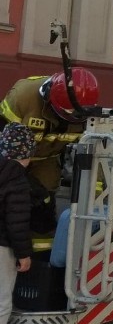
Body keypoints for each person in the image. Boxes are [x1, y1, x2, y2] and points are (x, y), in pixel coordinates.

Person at [0, 68, 99, 235]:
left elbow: (96, 158)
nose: (71, 118)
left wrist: (96, 201)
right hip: (12, 158)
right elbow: (4, 140)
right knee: (13, 197)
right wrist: (21, 178)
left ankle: (40, 250)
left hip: (47, 159)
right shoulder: (23, 97)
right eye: (67, 113)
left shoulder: (89, 116)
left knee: (44, 200)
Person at [0, 123, 38, 324]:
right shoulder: (17, 179)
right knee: (1, 300)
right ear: (28, 153)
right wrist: (24, 254)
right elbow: (17, 222)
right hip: (1, 247)